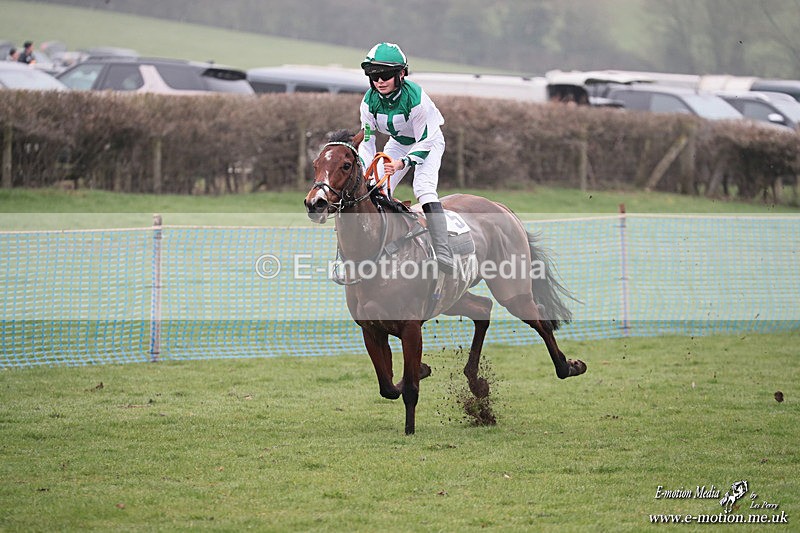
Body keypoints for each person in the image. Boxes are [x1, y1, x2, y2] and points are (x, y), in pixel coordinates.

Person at [357, 42, 454, 275]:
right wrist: (364, 170)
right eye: (373, 75)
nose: (379, 81)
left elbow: (426, 140)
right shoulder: (368, 102)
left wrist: (403, 163)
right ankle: (377, 247)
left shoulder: (417, 99)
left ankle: (443, 251)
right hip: (398, 143)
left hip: (427, 143)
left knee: (423, 188)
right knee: (375, 189)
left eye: (386, 75)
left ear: (401, 74)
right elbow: (367, 142)